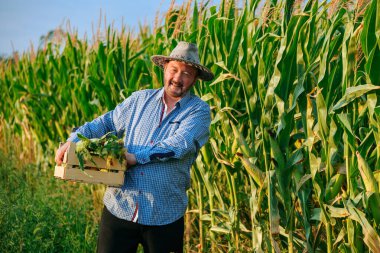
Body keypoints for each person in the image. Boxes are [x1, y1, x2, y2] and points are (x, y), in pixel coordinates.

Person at [55, 41, 214, 253]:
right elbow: (107, 122)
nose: (177, 78)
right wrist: (74, 139)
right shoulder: (139, 100)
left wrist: (135, 158)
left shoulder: (199, 111)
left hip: (164, 213)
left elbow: (179, 144)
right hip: (120, 206)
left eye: (186, 73)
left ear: (194, 80)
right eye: (174, 69)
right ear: (165, 68)